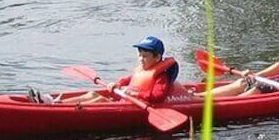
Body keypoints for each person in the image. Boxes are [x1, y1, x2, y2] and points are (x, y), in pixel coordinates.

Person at [29, 36, 179, 105]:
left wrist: (134, 93)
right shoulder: (143, 69)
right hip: (127, 101)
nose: (141, 59)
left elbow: (158, 97)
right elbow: (129, 79)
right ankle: (57, 103)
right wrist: (117, 84)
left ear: (157, 57)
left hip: (137, 104)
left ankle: (55, 107)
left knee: (100, 99)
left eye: (145, 56)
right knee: (92, 94)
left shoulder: (161, 77)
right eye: (140, 55)